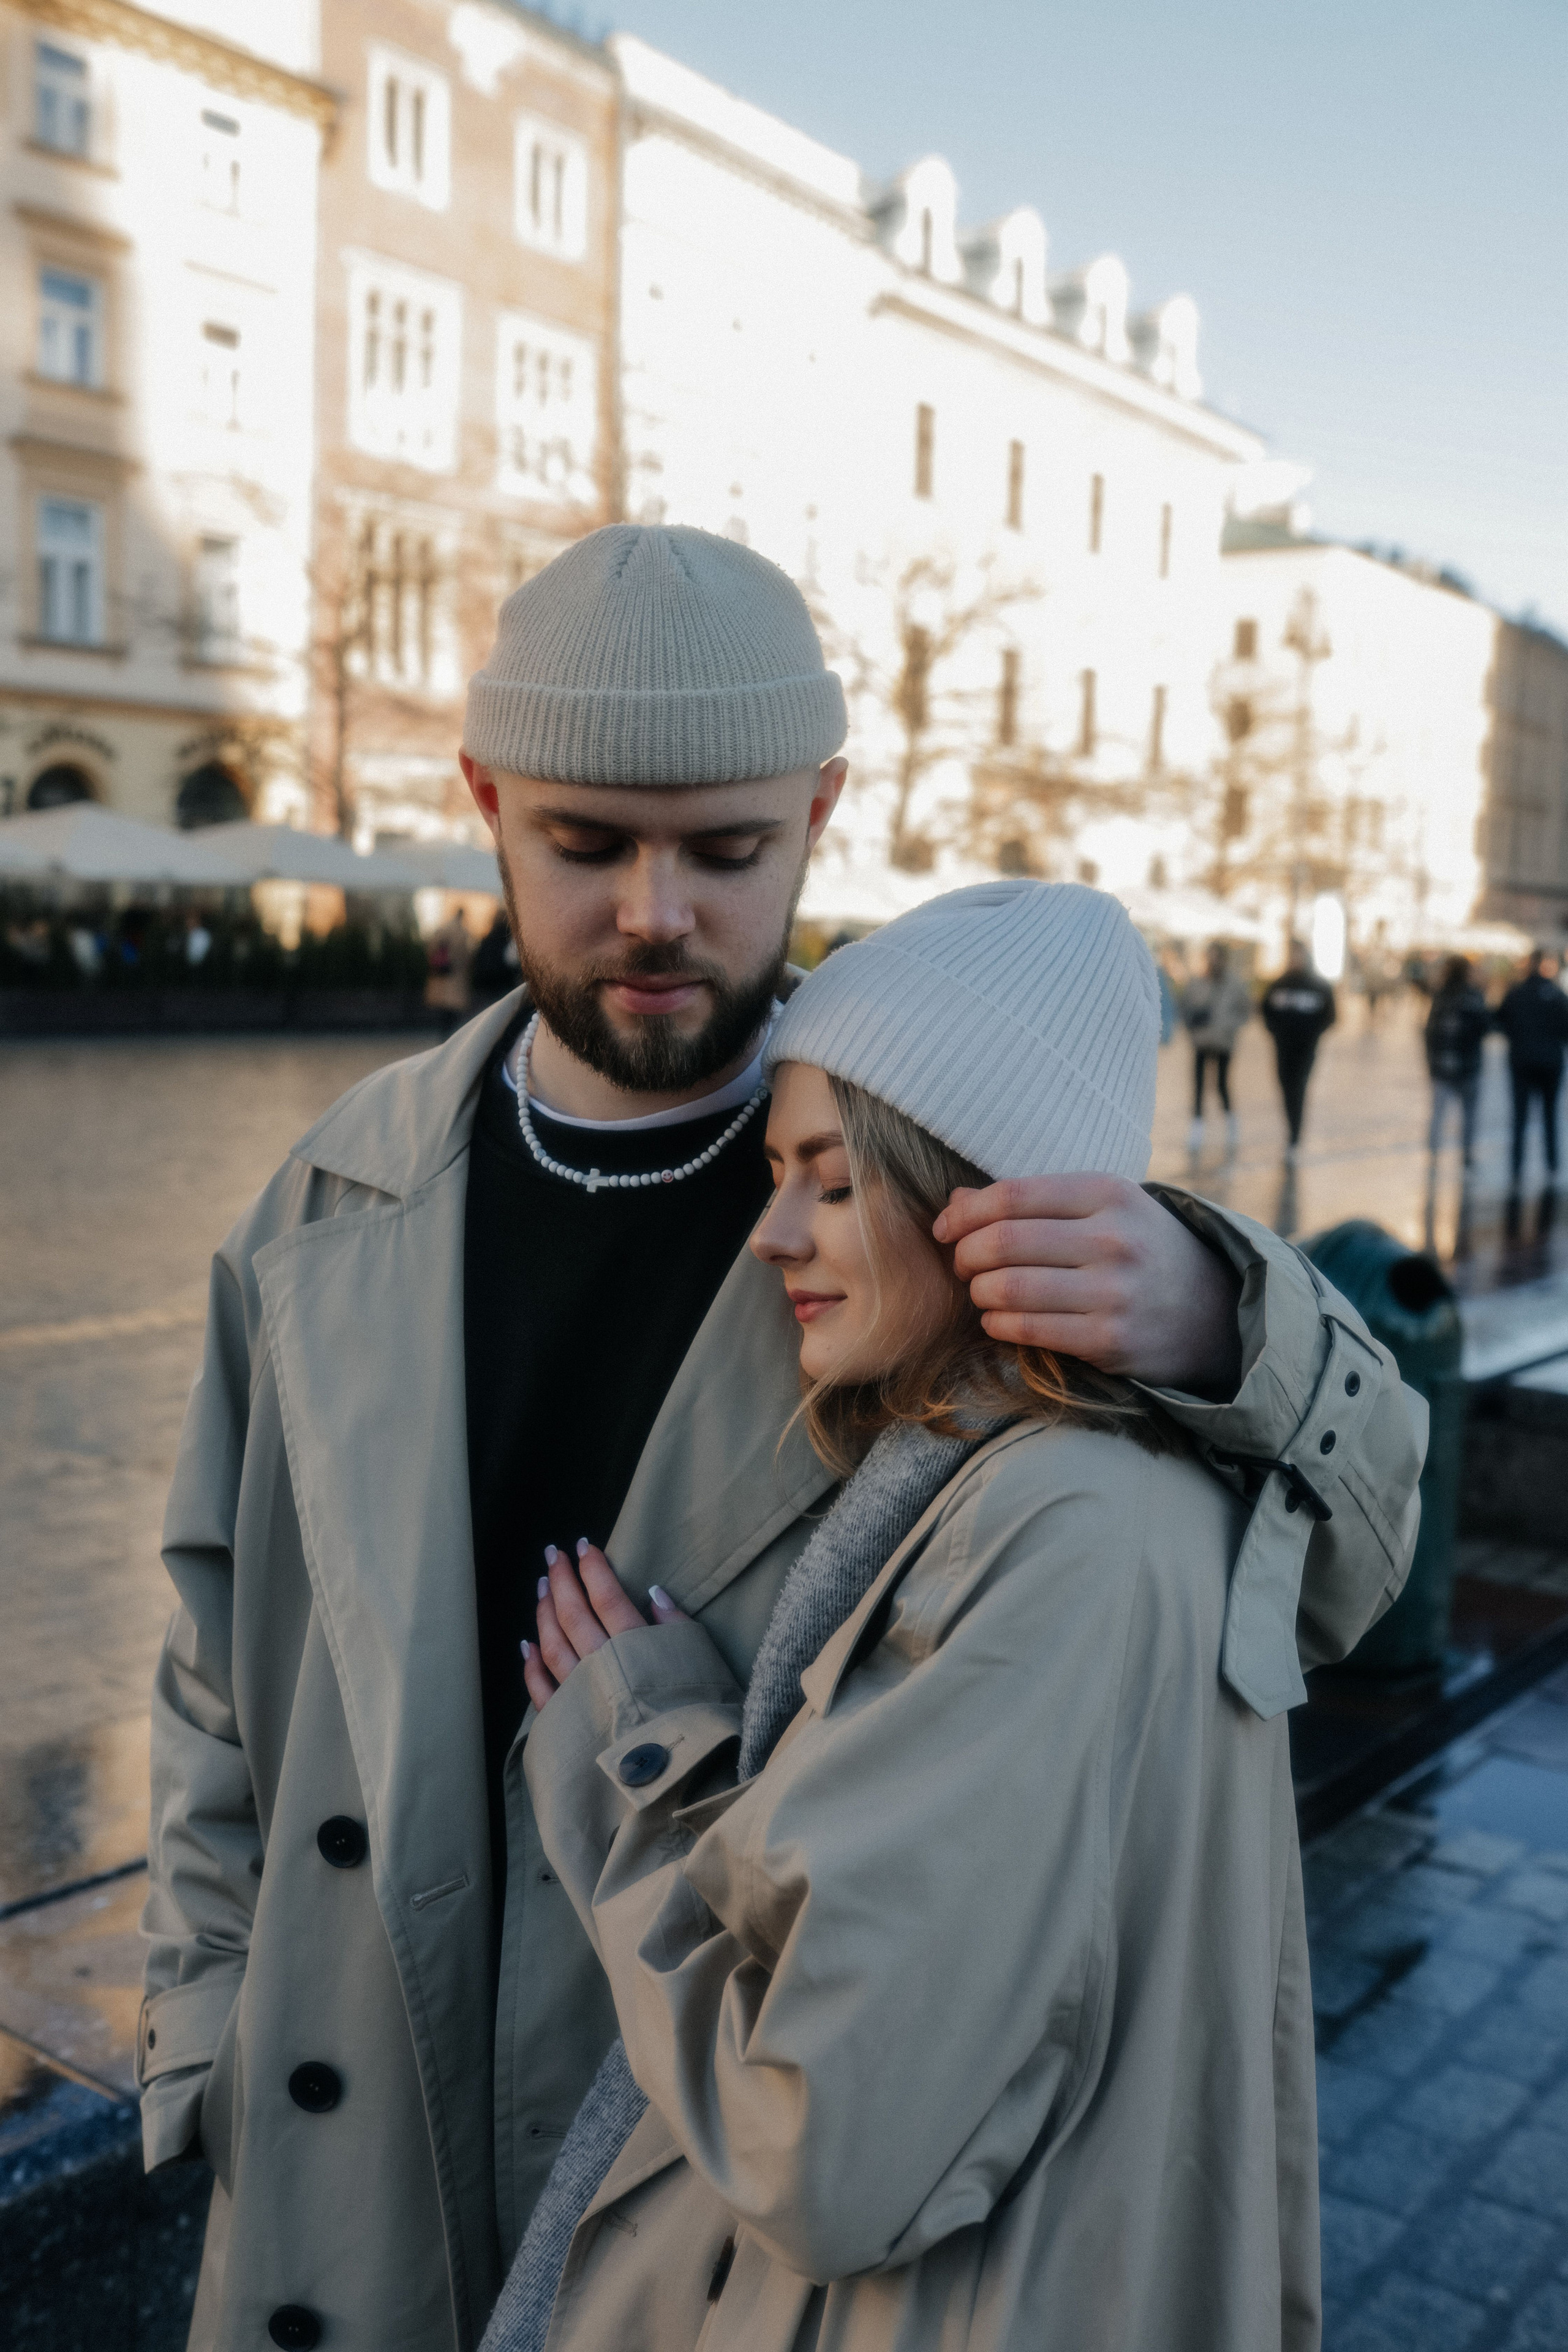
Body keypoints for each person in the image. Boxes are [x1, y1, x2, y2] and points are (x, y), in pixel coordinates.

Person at [137, 527, 1425, 2352]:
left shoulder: (934, 1202)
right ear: (486, 799)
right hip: (349, 2182)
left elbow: (1314, 1599)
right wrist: (205, 2047)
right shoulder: (328, 1193)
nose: (656, 907)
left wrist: (1228, 1319)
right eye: (585, 841)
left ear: (819, 811)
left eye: (726, 848)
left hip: (701, 2221)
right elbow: (215, 1675)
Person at [481, 882, 1420, 2352]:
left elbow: (819, 2133)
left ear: (977, 1196)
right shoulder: (1099, 1478)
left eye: (827, 1179)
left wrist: (638, 1754)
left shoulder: (1056, 1529)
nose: (769, 1232)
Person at [1496, 948, 1568, 1189]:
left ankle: (1517, 1165)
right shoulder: (1556, 995)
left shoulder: (1517, 993)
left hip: (1522, 1063)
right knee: (1550, 1115)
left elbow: (1501, 1021)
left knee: (1520, 1116)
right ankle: (1552, 1164)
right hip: (1550, 1063)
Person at [1262, 939, 1337, 1161]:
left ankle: (1295, 1136)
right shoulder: (1279, 984)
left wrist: (1313, 1033)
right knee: (1285, 1087)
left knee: (1299, 1089)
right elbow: (1265, 1011)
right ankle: (1291, 1129)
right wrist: (1275, 1031)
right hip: (1283, 1046)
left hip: (1305, 1049)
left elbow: (1330, 1016)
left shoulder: (1318, 986)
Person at [1180, 938, 1251, 1156]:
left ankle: (1231, 1125)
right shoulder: (1199, 982)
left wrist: (1230, 1027)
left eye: (1216, 956)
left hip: (1223, 1042)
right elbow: (1185, 1007)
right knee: (1199, 1084)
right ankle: (1197, 1128)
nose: (1213, 960)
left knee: (1222, 1084)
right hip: (1201, 1041)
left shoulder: (1234, 984)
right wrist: (1192, 1026)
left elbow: (1245, 1010)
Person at [1423, 955, 1490, 1167]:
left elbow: (1430, 1033)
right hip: (1468, 1066)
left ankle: (1434, 1156)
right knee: (1468, 1116)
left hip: (1443, 1065)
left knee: (1438, 1114)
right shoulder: (1473, 997)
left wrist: (1431, 1063)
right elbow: (1485, 1027)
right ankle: (1467, 1156)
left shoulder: (1441, 997)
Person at [424, 903, 474, 1034]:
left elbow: (432, 949)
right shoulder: (463, 933)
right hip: (456, 976)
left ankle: (444, 1033)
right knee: (453, 1010)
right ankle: (450, 1033)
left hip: (442, 976)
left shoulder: (444, 929)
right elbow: (467, 956)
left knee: (443, 1009)